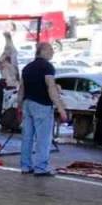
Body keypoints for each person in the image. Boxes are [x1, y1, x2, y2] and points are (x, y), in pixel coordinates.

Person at [18, 41, 68, 176]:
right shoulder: (47, 67)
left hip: (27, 104)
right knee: (43, 138)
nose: (52, 52)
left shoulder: (27, 67)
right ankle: (41, 167)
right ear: (43, 51)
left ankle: (25, 166)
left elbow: (21, 88)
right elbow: (51, 87)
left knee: (27, 137)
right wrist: (61, 108)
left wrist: (19, 106)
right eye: (50, 49)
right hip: (42, 105)